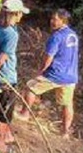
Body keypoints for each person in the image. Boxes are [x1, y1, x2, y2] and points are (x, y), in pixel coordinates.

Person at [16, 9, 79, 137]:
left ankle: (24, 114)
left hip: (55, 74)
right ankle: (65, 132)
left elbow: (48, 58)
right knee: (67, 103)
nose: (52, 22)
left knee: (31, 87)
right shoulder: (73, 35)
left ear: (63, 20)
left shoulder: (56, 37)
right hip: (71, 76)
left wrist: (40, 71)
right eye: (51, 19)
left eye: (55, 19)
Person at [0, 0, 29, 152]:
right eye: (20, 13)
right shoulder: (11, 34)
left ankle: (7, 135)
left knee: (5, 108)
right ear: (15, 14)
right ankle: (0, 144)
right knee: (4, 112)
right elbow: (3, 58)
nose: (22, 16)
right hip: (5, 78)